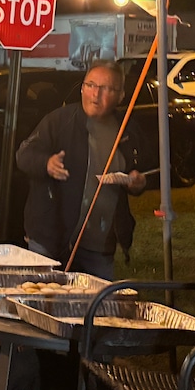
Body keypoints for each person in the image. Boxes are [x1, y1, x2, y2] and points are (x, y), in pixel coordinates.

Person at [15, 59, 146, 279]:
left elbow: (140, 171)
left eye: (106, 89)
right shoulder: (59, 121)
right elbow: (24, 155)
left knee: (98, 305)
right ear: (82, 88)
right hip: (51, 237)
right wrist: (46, 164)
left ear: (121, 95)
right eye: (91, 85)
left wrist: (137, 183)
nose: (96, 94)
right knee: (44, 299)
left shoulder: (127, 129)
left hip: (99, 243)